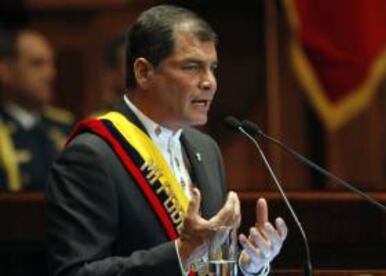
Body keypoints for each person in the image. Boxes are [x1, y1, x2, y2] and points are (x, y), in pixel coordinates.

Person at [46, 5, 288, 276]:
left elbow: (207, 261)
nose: (209, 82)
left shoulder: (205, 149)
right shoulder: (92, 155)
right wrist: (181, 252)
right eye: (192, 67)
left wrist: (248, 264)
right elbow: (74, 273)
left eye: (213, 68)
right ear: (144, 73)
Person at [0, 29, 74, 191]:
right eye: (37, 64)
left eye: (51, 64)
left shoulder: (65, 126)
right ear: (6, 71)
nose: (50, 74)